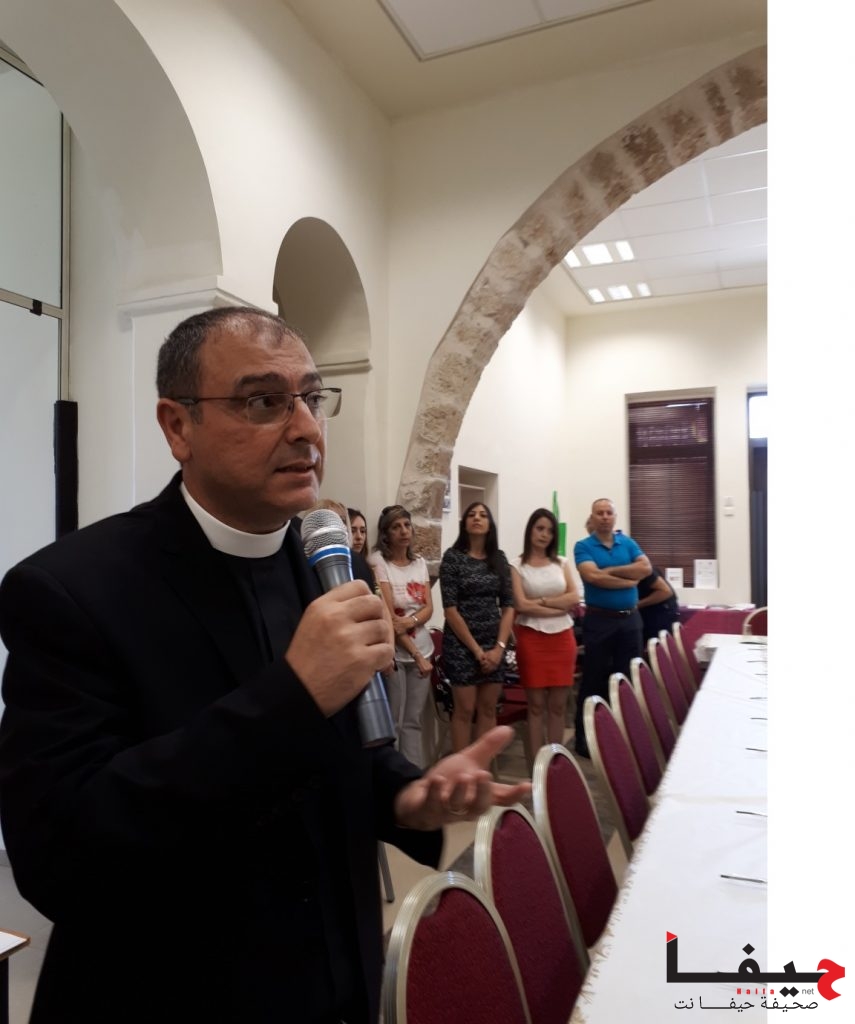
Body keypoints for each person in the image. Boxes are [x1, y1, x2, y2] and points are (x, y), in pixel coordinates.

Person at [0, 306, 530, 1024]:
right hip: (173, 996)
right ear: (177, 426)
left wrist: (406, 794)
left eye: (312, 397)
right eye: (263, 402)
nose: (307, 428)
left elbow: (342, 754)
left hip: (336, 983)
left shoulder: (329, 569)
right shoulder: (72, 589)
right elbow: (60, 856)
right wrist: (290, 696)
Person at [573, 498, 651, 758]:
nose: (605, 516)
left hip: (630, 622)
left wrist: (609, 571)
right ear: (592, 517)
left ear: (615, 517)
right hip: (600, 622)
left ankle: (625, 737)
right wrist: (628, 581)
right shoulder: (583, 546)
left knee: (627, 681)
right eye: (600, 513)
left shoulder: (627, 543)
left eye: (609, 512)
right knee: (594, 680)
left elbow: (645, 568)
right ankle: (585, 739)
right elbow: (592, 576)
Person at [439, 501, 515, 753]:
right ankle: (462, 770)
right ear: (464, 524)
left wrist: (499, 648)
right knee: (464, 709)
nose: (477, 518)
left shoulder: (499, 559)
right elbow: (450, 609)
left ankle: (482, 768)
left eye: (483, 515)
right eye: (471, 514)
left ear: (490, 525)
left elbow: (508, 606)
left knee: (488, 709)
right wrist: (476, 651)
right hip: (461, 645)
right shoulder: (453, 558)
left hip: (494, 643)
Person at [510, 508, 581, 757]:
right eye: (540, 528)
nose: (544, 535)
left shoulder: (561, 562)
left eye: (550, 531)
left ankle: (556, 764)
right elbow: (521, 605)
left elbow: (574, 598)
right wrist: (557, 606)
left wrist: (540, 602)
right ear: (530, 530)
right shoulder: (517, 565)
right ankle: (537, 766)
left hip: (562, 639)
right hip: (532, 639)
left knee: (558, 706)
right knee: (536, 706)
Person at [368, 504, 434, 767]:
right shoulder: (378, 562)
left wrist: (411, 621)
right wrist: (416, 654)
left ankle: (415, 775)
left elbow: (428, 608)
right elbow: (390, 618)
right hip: (396, 652)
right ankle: (395, 777)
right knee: (394, 720)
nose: (404, 531)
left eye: (407, 525)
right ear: (386, 534)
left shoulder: (419, 563)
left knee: (413, 721)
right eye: (396, 527)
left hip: (424, 648)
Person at [637, 565, 679, 643]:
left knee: (658, 646)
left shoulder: (641, 568)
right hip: (650, 611)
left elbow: (665, 592)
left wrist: (636, 605)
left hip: (660, 612)